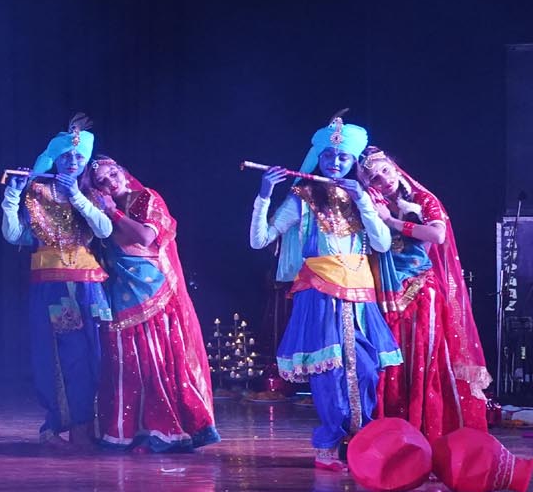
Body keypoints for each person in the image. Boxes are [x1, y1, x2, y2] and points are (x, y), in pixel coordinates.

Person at [251, 115, 401, 467]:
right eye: (329, 155)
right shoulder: (303, 197)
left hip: (359, 293)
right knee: (329, 371)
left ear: (353, 162)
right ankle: (329, 444)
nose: (335, 162)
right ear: (318, 157)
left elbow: (382, 243)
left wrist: (363, 202)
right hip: (319, 291)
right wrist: (264, 195)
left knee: (366, 369)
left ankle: (361, 441)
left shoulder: (362, 197)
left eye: (343, 157)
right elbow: (259, 240)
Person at [81, 157, 219, 451]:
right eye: (102, 181)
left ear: (123, 171)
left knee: (155, 362)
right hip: (118, 291)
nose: (110, 182)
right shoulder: (97, 212)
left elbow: (145, 237)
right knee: (126, 363)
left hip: (153, 290)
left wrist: (113, 212)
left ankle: (165, 430)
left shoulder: (147, 198)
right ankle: (126, 431)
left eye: (113, 174)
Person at [357, 147, 489, 441]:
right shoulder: (369, 201)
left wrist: (391, 222)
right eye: (375, 178)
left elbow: (437, 235)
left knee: (421, 360)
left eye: (386, 171)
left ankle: (425, 433)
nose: (384, 180)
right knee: (389, 363)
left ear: (395, 167)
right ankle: (390, 436)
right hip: (385, 292)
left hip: (420, 292)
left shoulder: (422, 199)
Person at [0, 117, 114, 442]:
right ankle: (62, 420)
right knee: (56, 355)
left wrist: (76, 196)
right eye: (65, 156)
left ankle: (93, 425)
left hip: (87, 285)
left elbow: (104, 231)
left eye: (78, 157)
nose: (72, 161)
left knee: (93, 353)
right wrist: (12, 197)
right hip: (50, 285)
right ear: (56, 159)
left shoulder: (91, 194)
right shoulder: (37, 193)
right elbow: (15, 236)